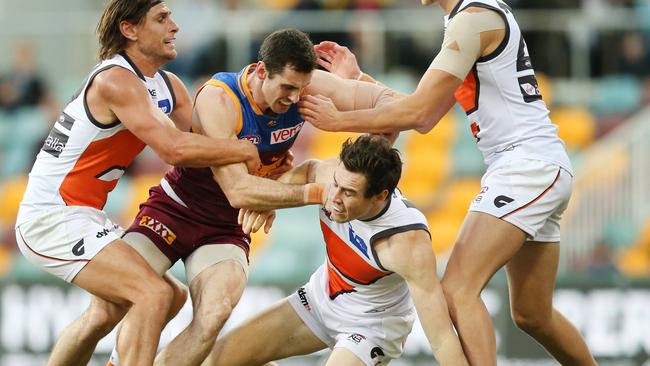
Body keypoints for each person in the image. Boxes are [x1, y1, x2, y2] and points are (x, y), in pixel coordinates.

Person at [298, 1, 597, 365]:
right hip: (533, 165)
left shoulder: (470, 22)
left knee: (457, 290)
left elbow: (420, 115)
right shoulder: (470, 18)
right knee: (532, 314)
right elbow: (428, 111)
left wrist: (337, 120)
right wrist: (359, 81)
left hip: (525, 166)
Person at [89, 28, 400, 366]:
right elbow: (238, 191)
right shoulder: (220, 99)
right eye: (287, 88)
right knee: (113, 307)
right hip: (176, 209)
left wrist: (349, 100)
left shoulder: (307, 87)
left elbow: (396, 110)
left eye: (300, 88)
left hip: (226, 225)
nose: (296, 99)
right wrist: (310, 193)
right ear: (262, 70)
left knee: (215, 312)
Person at [13, 1, 262, 365]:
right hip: (51, 217)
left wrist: (266, 159)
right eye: (161, 19)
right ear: (129, 30)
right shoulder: (115, 80)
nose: (174, 27)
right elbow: (175, 149)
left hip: (82, 214)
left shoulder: (168, 85)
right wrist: (242, 150)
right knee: (154, 295)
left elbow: (209, 142)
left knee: (137, 305)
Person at [201, 134, 468, 366]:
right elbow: (308, 172)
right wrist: (272, 200)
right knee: (216, 361)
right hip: (319, 299)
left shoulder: (405, 241)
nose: (334, 198)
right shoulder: (334, 178)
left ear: (380, 196)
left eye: (349, 193)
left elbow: (442, 338)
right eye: (336, 185)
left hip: (371, 327)